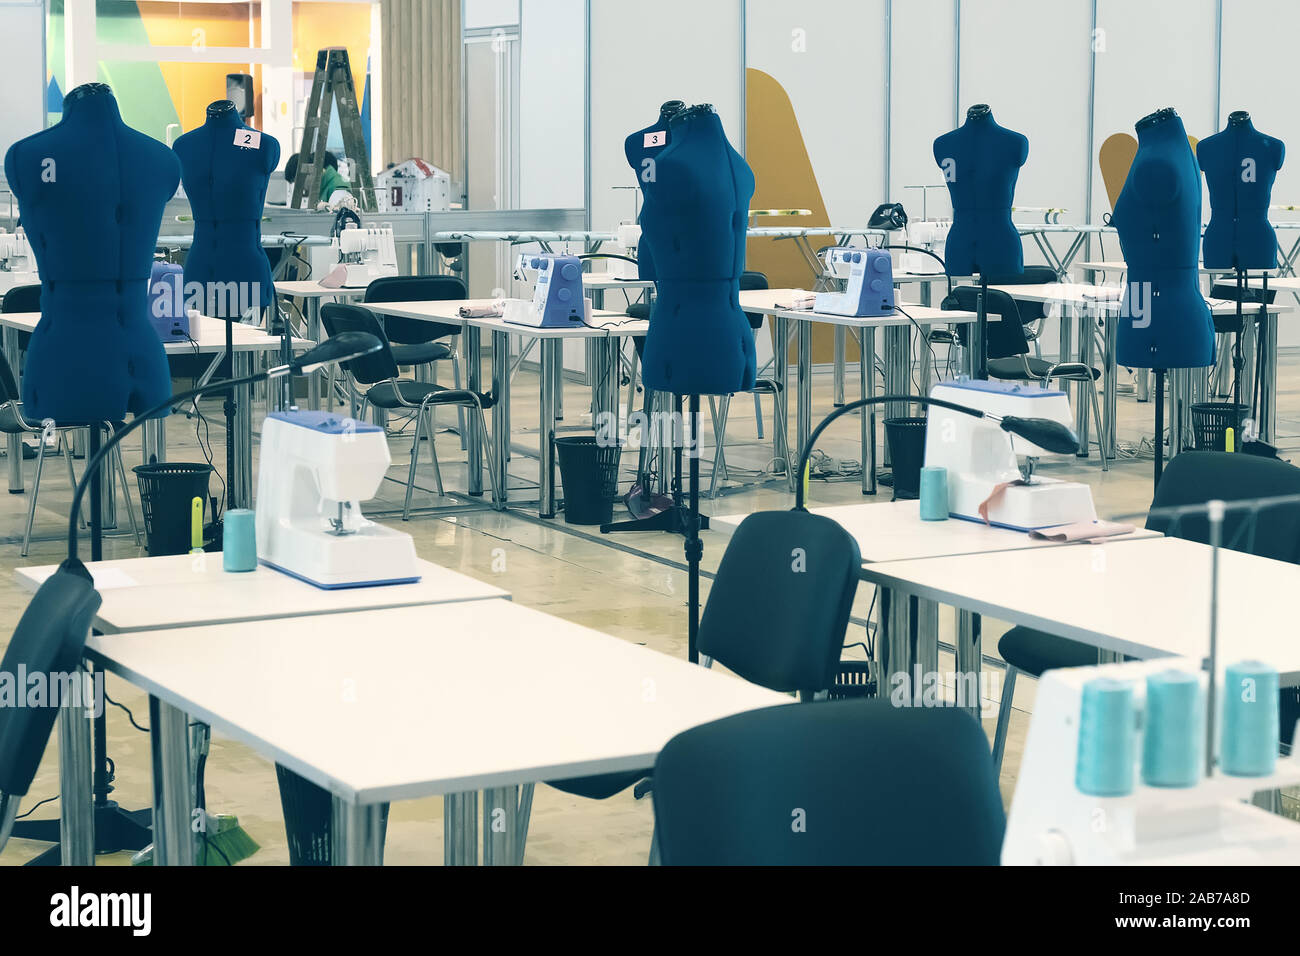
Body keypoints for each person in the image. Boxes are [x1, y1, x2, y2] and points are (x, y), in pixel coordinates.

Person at [284, 150, 352, 205]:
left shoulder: (339, 190)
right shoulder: (325, 188)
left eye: (298, 183)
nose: (302, 189)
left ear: (309, 170)